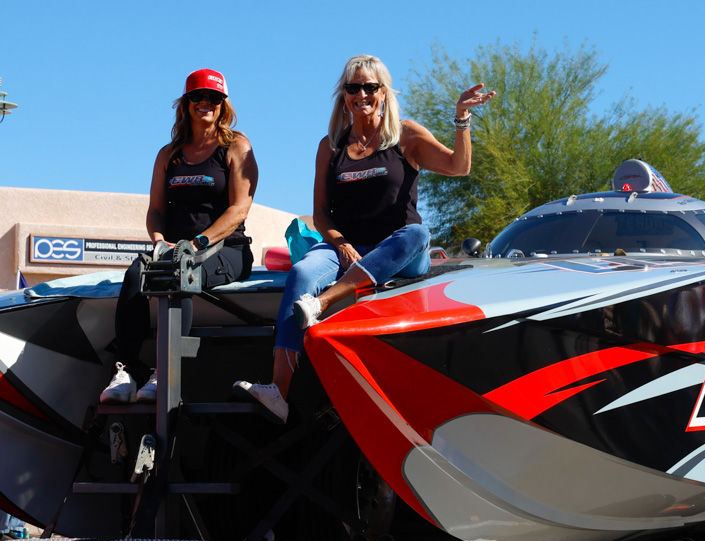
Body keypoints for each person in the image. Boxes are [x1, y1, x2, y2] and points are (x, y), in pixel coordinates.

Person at [234, 55, 495, 423]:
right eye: (353, 88)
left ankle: (323, 302)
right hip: (348, 248)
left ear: (384, 93)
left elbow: (459, 166)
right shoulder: (331, 146)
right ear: (344, 95)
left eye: (370, 87)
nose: (362, 94)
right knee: (302, 273)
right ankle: (279, 390)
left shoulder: (406, 135)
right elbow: (321, 214)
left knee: (418, 233)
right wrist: (340, 245)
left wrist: (462, 118)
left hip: (400, 249)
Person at [100, 68, 258, 403]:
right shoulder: (168, 154)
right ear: (186, 103)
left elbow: (238, 211)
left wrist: (197, 243)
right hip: (173, 249)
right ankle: (125, 372)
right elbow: (155, 210)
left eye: (214, 97)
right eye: (198, 96)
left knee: (180, 273)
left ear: (223, 104)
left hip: (226, 248)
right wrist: (159, 241)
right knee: (135, 272)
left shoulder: (236, 146)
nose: (206, 103)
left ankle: (164, 373)